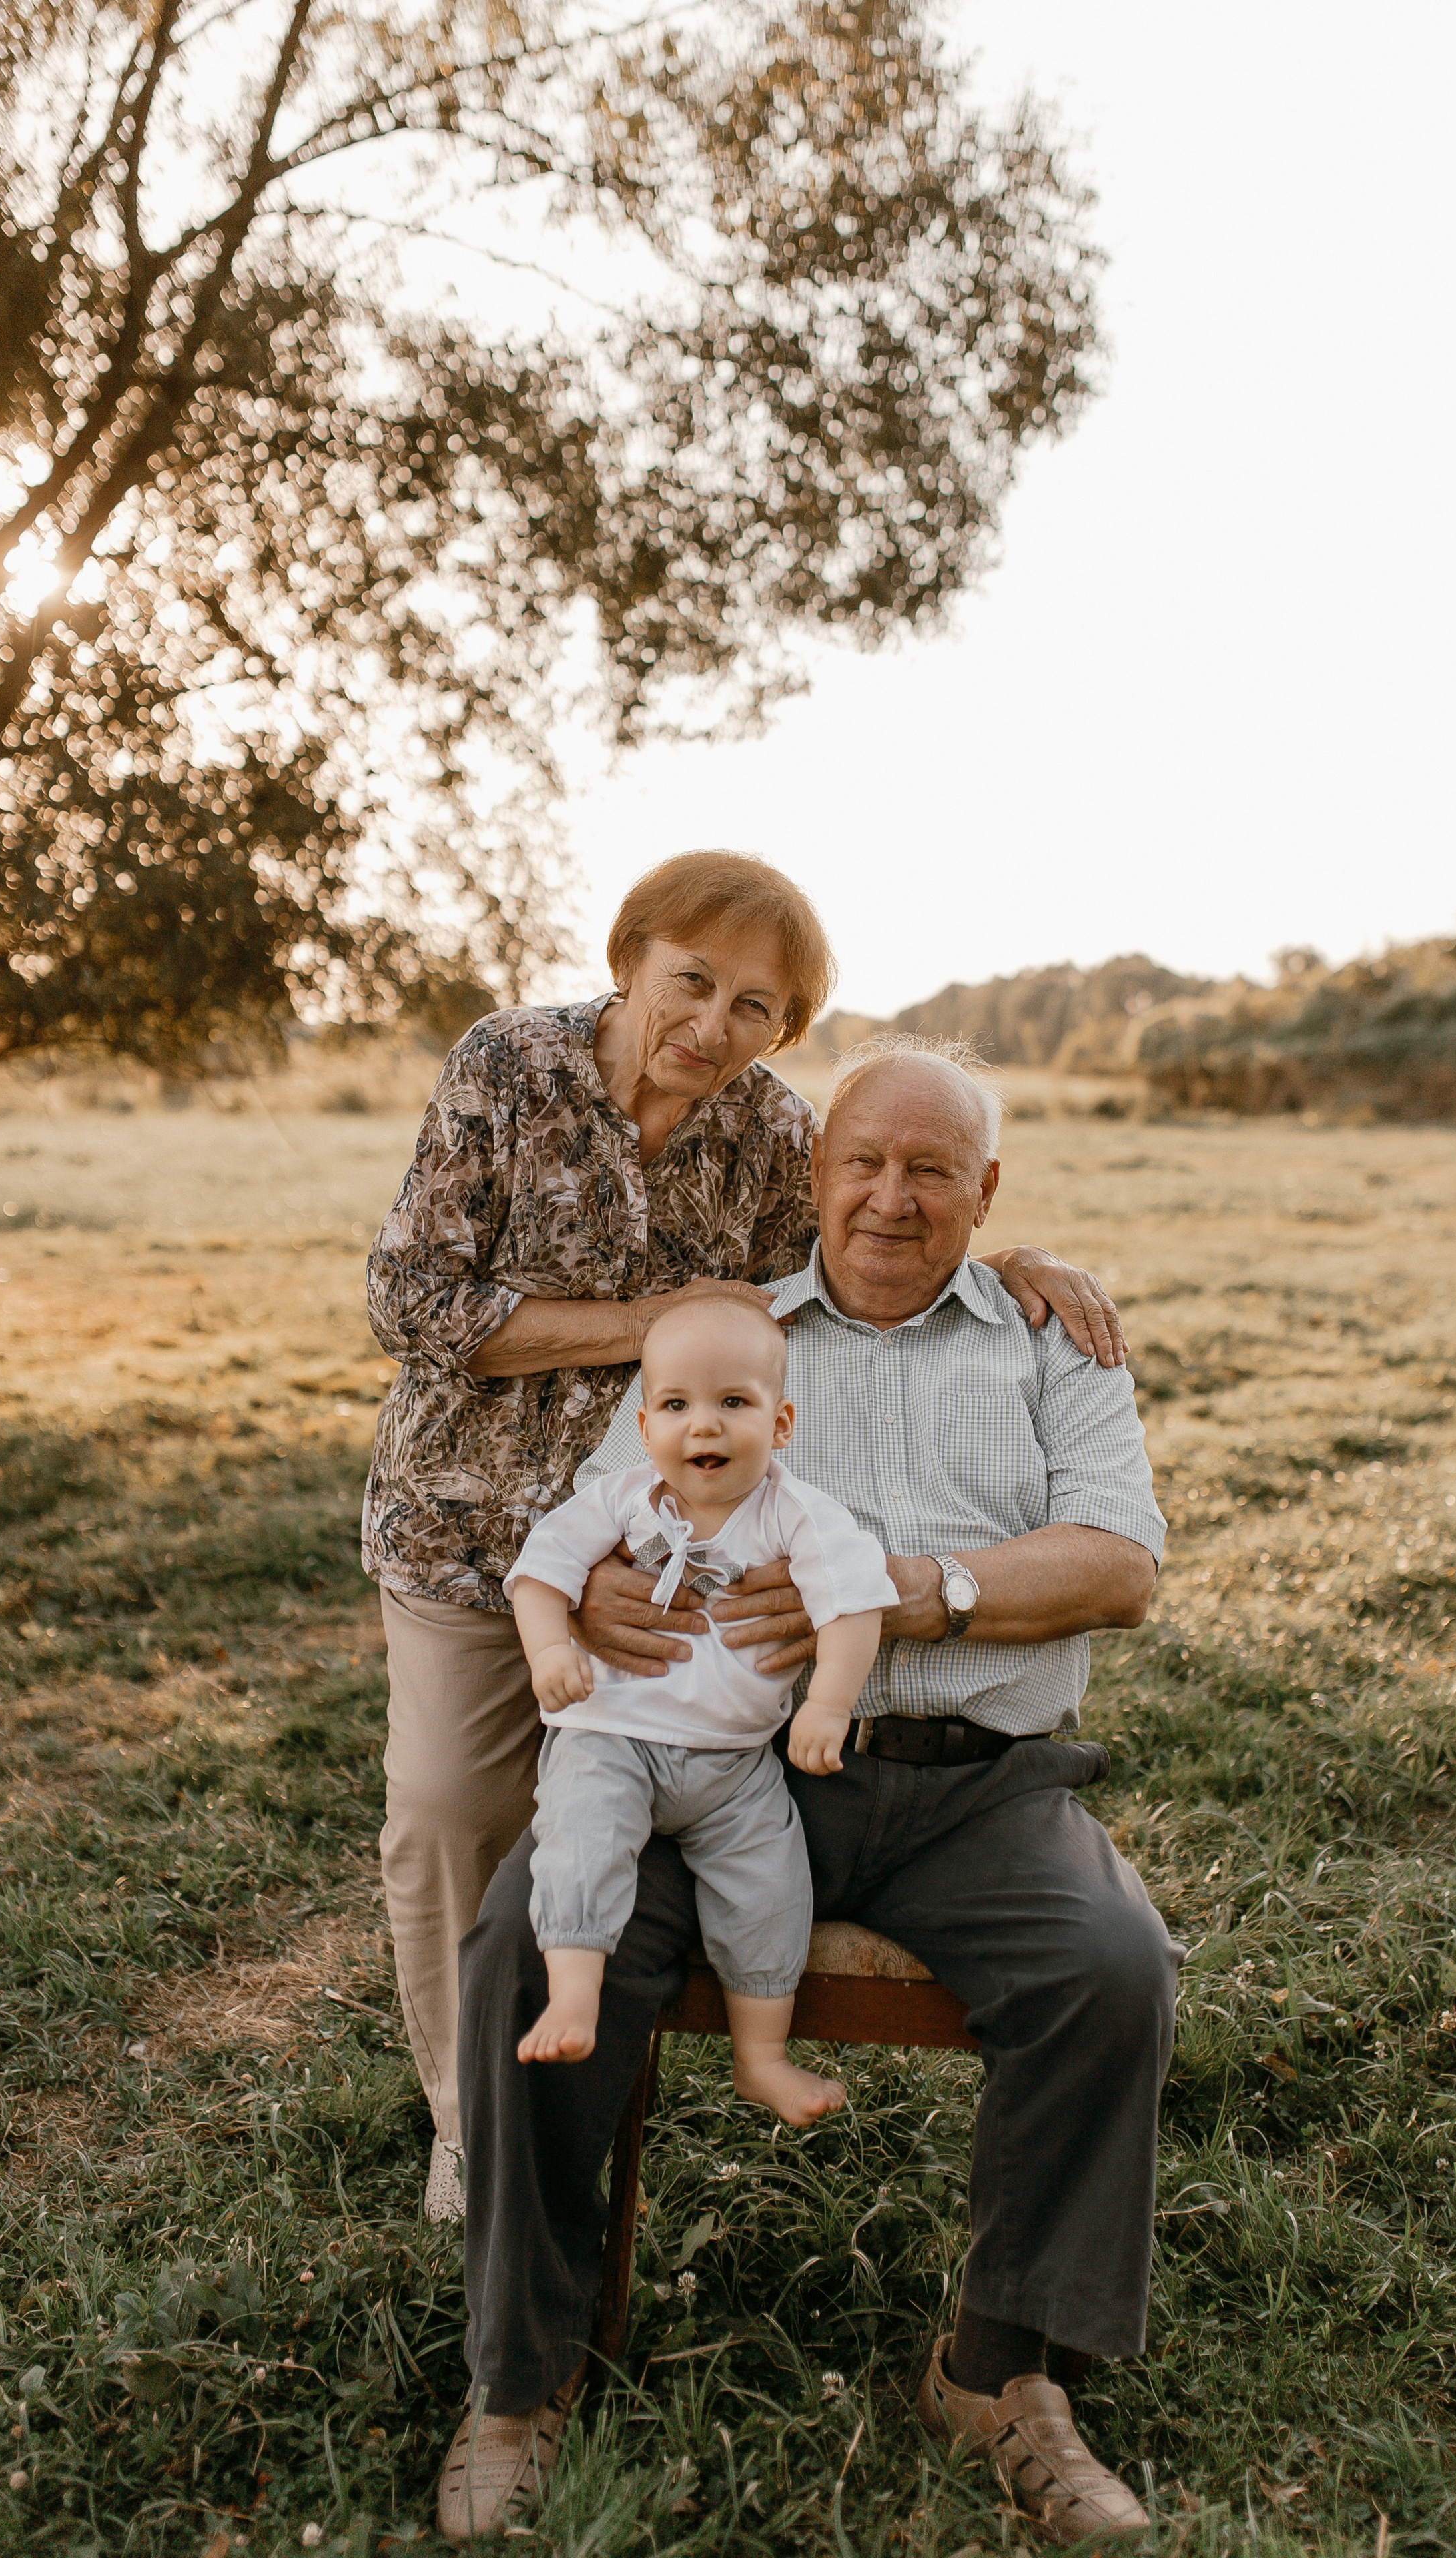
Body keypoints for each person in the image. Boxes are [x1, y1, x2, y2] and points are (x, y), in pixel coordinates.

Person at [436, 1039, 1178, 2547]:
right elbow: (590, 1525)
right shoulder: (729, 1339)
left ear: (985, 1189)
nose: (888, 1199)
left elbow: (1116, 1566)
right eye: (860, 1163)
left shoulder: (1051, 1339)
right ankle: (518, 2380)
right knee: (530, 1936)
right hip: (711, 1770)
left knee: (1107, 1965)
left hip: (974, 1789)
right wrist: (595, 1611)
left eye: (927, 1169)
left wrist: (915, 1591)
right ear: (814, 1176)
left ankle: (997, 2369)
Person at [362, 851, 1131, 2220]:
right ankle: (469, 2120)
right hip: (479, 1526)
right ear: (630, 959)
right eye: (692, 982)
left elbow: (864, 1243)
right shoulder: (508, 1068)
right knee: (453, 1809)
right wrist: (652, 1332)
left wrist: (1011, 1265)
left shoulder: (773, 1131)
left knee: (619, 1810)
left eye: (754, 1008)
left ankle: (597, 2062)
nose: (711, 1025)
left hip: (685, 1546)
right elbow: (414, 1302)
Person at [506, 1292, 897, 2120]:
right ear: (645, 1428)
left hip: (735, 1765)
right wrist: (548, 1650)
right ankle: (574, 1993)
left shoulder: (796, 1514)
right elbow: (541, 1571)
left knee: (770, 1891)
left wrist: (827, 1703)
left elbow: (856, 1604)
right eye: (677, 1406)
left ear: (780, 1423)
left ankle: (760, 2056)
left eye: (733, 1403)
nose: (704, 1428)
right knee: (582, 1838)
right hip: (611, 1737)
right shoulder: (621, 1499)